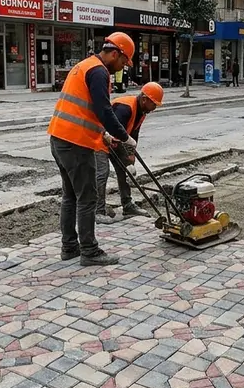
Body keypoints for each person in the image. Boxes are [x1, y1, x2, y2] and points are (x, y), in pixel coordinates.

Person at [48, 32, 136, 266]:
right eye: (123, 62)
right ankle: (89, 251)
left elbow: (84, 109)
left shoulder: (84, 65)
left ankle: (69, 247)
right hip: (75, 143)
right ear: (115, 53)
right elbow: (104, 110)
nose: (123, 68)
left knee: (70, 196)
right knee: (87, 198)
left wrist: (104, 134)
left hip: (59, 138)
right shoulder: (99, 71)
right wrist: (124, 136)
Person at [96, 82, 164, 222]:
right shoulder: (125, 107)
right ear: (144, 99)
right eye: (154, 104)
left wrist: (130, 155)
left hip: (116, 140)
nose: (155, 107)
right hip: (101, 139)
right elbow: (114, 128)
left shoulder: (142, 111)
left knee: (127, 171)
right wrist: (123, 149)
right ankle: (98, 211)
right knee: (102, 173)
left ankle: (127, 205)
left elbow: (133, 133)